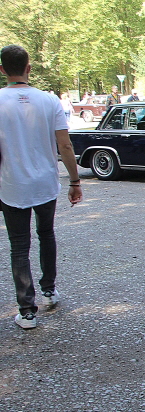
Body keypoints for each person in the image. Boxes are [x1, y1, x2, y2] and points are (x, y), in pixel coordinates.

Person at [0, 45, 84, 329]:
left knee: (19, 246)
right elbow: (65, 145)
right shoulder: (49, 101)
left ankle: (27, 312)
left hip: (11, 185)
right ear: (29, 68)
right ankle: (49, 289)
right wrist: (74, 181)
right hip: (45, 182)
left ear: (2, 70)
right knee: (46, 234)